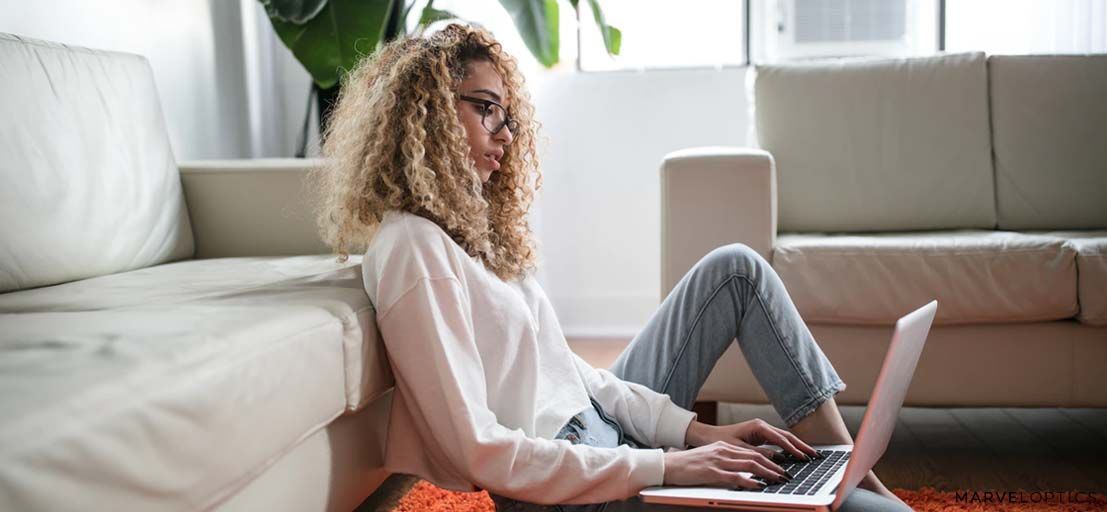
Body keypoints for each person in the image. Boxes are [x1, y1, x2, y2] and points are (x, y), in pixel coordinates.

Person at [312, 23, 911, 512]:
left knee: (736, 270)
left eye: (508, 116)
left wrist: (692, 434)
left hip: (602, 436)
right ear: (430, 113)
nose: (506, 133)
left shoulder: (475, 235)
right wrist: (667, 466)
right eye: (487, 109)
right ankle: (849, 490)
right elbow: (479, 450)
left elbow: (570, 374)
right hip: (566, 490)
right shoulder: (412, 248)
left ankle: (846, 468)